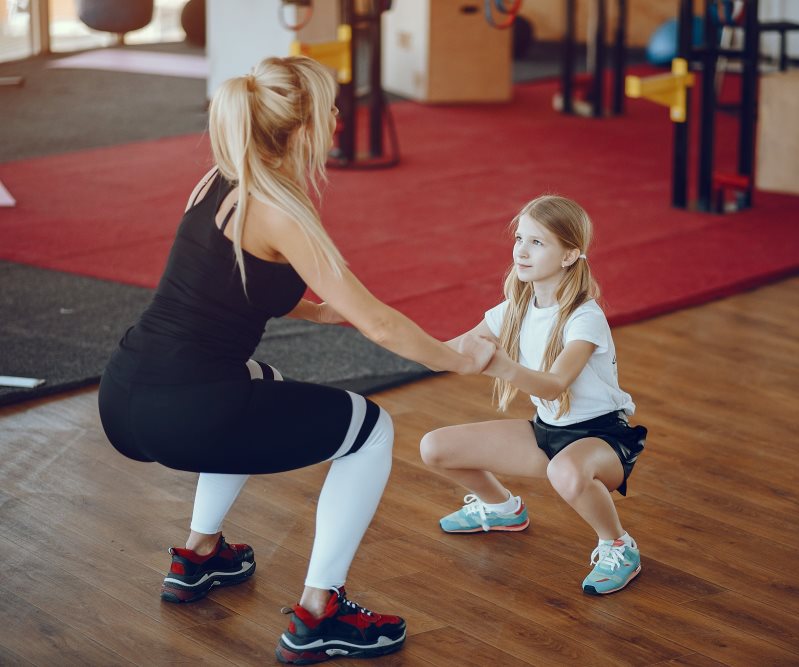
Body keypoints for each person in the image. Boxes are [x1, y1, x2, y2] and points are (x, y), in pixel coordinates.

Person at [97, 56, 493, 664]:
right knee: (371, 430)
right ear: (304, 128)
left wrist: (314, 311)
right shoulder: (283, 211)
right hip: (186, 410)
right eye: (331, 108)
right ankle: (320, 612)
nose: (339, 118)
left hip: (124, 393)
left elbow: (214, 289)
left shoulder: (220, 179)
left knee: (263, 383)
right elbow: (382, 323)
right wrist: (457, 361)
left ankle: (200, 555)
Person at [420, 195, 647, 595]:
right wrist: (378, 330)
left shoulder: (584, 317)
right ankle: (500, 508)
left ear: (569, 254)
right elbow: (448, 352)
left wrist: (503, 366)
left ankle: (617, 545)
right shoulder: (514, 307)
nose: (521, 251)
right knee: (434, 447)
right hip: (548, 432)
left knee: (565, 471)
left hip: (604, 438)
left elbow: (555, 384)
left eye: (537, 243)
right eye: (520, 238)